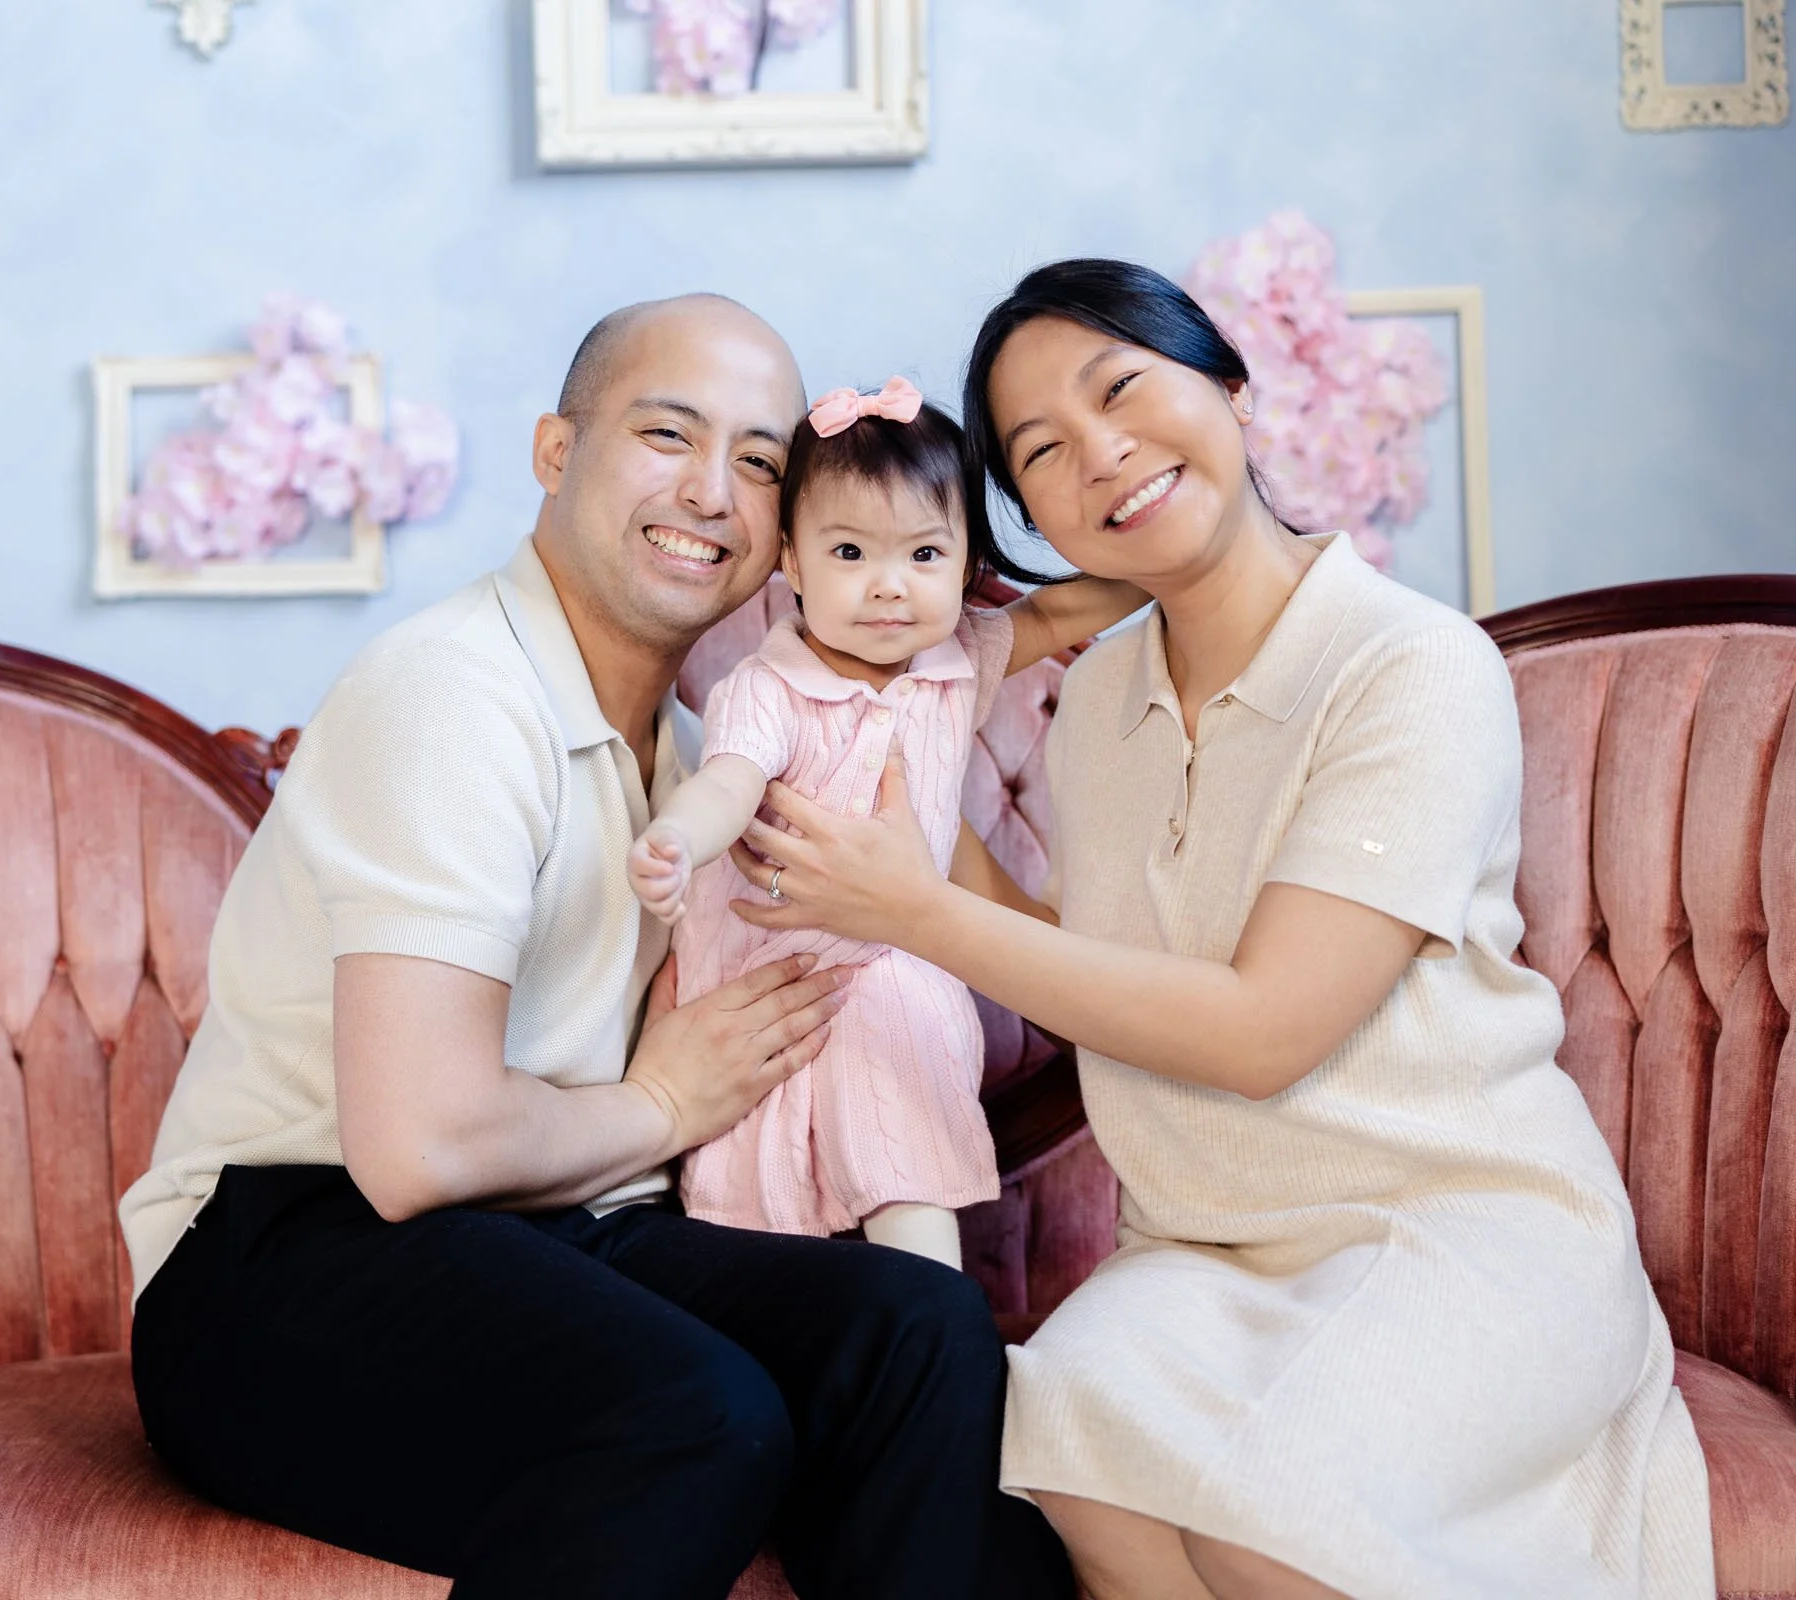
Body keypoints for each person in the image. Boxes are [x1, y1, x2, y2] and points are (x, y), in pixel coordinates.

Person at [724, 260, 1715, 1599]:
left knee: (1265, 1522)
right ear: (1034, 516)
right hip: (1204, 1252)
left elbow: (1262, 1030)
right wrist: (900, 823)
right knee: (1074, 1468)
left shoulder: (1412, 666)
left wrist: (920, 911)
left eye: (1123, 388)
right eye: (1042, 452)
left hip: (1458, 1225)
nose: (1101, 453)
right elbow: (1102, 970)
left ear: (1232, 388)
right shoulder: (1103, 698)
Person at [119, 293, 1076, 1600]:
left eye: (758, 461)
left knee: (920, 1329)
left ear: (790, 531)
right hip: (282, 1259)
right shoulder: (454, 696)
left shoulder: (704, 757)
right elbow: (420, 1153)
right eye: (666, 434)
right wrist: (666, 1105)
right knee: (699, 1416)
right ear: (556, 452)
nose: (711, 492)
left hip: (559, 1228)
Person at [629, 375, 1145, 1266]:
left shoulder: (960, 661)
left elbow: (1068, 607)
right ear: (792, 562)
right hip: (771, 978)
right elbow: (730, 782)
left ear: (966, 565)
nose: (888, 588)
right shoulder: (770, 687)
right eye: (849, 553)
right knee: (761, 1202)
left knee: (904, 1096)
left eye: (924, 555)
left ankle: (928, 1286)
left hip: (894, 965)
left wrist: (1177, 553)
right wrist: (678, 840)